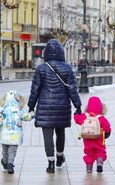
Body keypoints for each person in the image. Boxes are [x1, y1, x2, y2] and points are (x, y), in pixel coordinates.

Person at [28, 39, 82, 173]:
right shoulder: (67, 68)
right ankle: (59, 157)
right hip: (62, 105)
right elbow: (72, 89)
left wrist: (31, 106)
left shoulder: (41, 68)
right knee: (60, 132)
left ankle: (50, 163)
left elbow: (35, 89)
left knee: (47, 134)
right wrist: (78, 105)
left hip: (45, 106)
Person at [0, 90, 34, 174]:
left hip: (4, 135)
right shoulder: (20, 111)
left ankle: (5, 162)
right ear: (18, 100)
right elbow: (27, 117)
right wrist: (32, 114)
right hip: (15, 136)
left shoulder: (3, 112)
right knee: (12, 151)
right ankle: (10, 165)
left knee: (4, 151)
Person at [74, 96, 111, 173]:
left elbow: (77, 119)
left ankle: (89, 168)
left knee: (89, 153)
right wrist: (107, 133)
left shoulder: (85, 116)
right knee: (100, 151)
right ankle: (99, 163)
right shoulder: (101, 118)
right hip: (99, 138)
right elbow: (107, 127)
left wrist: (76, 114)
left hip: (87, 139)